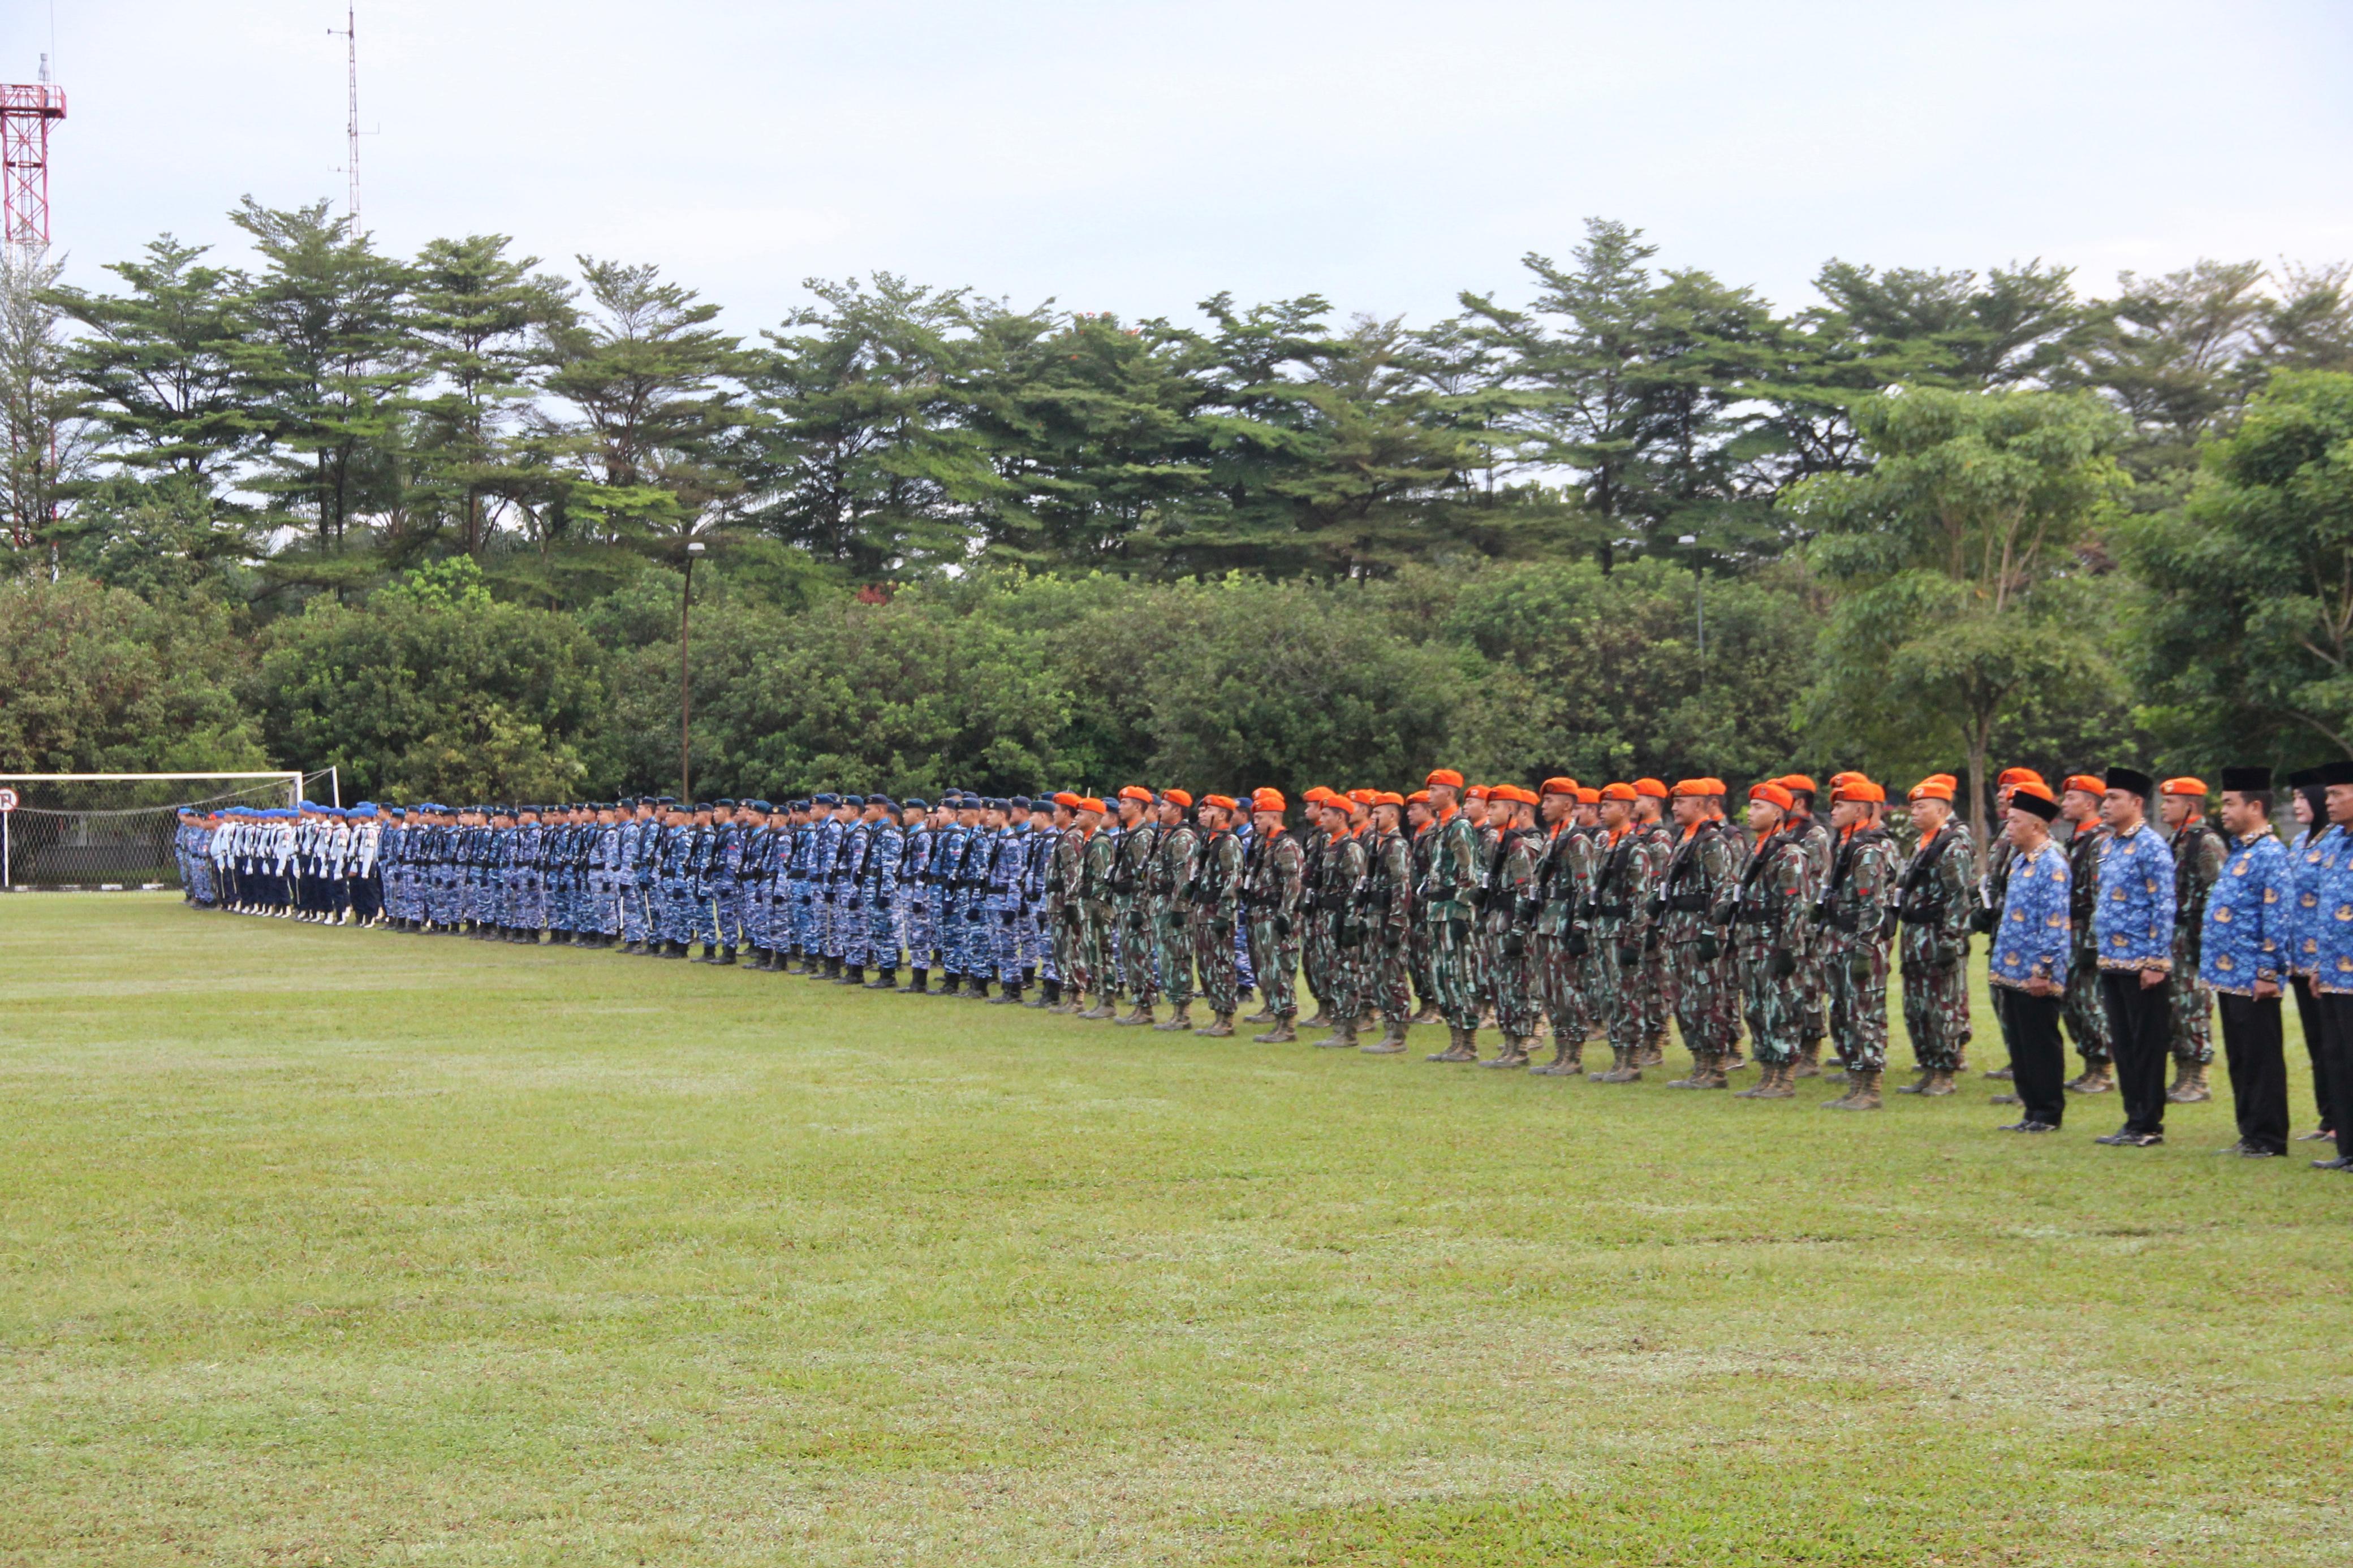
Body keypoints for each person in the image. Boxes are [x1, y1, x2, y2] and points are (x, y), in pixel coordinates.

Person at [2202, 767, 2291, 1157]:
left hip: (2255, 975)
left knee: (2261, 1058)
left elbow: (2278, 916)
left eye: (2230, 803)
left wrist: (2268, 971)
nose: (2223, 810)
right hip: (2230, 973)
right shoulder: (2242, 850)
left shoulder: (2271, 853)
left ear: (2255, 807)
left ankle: (2269, 1137)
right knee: (2241, 1058)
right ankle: (2251, 1132)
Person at [2092, 767, 2177, 1148]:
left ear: (2137, 803)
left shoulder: (2151, 845)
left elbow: (2164, 904)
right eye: (2105, 798)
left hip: (2142, 963)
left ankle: (2149, 1123)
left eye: (2114, 798)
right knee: (2124, 1044)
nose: (2105, 805)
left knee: (2147, 1045)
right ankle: (2133, 1118)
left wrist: (2156, 960)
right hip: (2112, 959)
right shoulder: (2109, 845)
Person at [1988, 783, 2071, 1133]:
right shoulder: (2021, 861)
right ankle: (2031, 1110)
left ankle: (2048, 1112)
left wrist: (2044, 969)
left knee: (2040, 1044)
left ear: (2036, 826)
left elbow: (2054, 921)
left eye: (2015, 821)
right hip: (2012, 968)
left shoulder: (2051, 863)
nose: (2008, 827)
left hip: (2036, 972)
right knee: (2021, 1045)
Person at [1816, 776, 1898, 1111]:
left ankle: (1871, 1088)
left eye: (1840, 806)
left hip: (1858, 943)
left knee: (1865, 1014)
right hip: (1838, 940)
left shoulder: (1868, 851)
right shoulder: (1846, 846)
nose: (1833, 812)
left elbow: (1873, 905)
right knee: (1841, 1014)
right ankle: (1854, 1084)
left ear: (1860, 810)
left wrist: (1865, 949)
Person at [1731, 781, 1814, 1100]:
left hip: (1774, 943)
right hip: (1750, 942)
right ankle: (1767, 1074)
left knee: (1781, 1010)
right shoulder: (1754, 852)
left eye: (1758, 807)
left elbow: (1796, 905)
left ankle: (1785, 1079)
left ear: (1778, 813)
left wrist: (1788, 947)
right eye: (1751, 806)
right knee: (1755, 1009)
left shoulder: (1789, 854)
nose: (1750, 813)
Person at [1895, 774, 1975, 1096]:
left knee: (1941, 1007)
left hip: (1936, 936)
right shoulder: (1921, 844)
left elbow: (1958, 897)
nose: (1914, 813)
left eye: (1922, 807)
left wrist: (1950, 940)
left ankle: (1945, 1072)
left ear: (1942, 810)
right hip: (1914, 938)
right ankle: (1928, 1067)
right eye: (1913, 807)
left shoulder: (1952, 846)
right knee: (1916, 1008)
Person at [1655, 779, 1738, 1088]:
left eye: (1681, 802)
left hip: (1700, 931)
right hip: (1679, 930)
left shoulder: (1711, 841)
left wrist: (1710, 930)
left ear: (1700, 805)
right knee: (1684, 1001)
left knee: (1706, 999)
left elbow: (1723, 889)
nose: (1674, 807)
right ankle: (1700, 1064)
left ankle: (1715, 1068)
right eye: (1674, 802)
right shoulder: (1685, 838)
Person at [2157, 777, 2226, 1103]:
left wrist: (2205, 938)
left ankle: (2198, 1078)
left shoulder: (2206, 841)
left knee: (2193, 1005)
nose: (2163, 807)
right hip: (2174, 937)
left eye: (2170, 802)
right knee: (2175, 1007)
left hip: (2193, 937)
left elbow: (2216, 892)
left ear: (2190, 806)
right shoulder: (2177, 839)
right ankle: (2183, 1073)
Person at [2303, 762, 2353, 1171]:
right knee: (2337, 1060)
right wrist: (2319, 964)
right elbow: (2325, 907)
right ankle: (2348, 1149)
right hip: (2335, 972)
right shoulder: (2334, 841)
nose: (2328, 801)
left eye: (2337, 794)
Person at [1529, 779, 1596, 1076]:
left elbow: (1587, 888)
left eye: (1550, 801)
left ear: (1568, 805)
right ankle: (1560, 1052)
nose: (1544, 806)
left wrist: (1580, 928)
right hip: (1547, 922)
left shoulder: (1576, 841)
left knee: (1568, 990)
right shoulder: (1552, 838)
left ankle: (1574, 1055)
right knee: (1549, 990)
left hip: (1565, 925)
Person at [2284, 772, 2337, 1143]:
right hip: (2298, 961)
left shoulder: (2336, 841)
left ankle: (2341, 1118)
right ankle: (2327, 1115)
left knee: (2334, 1043)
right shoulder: (2298, 842)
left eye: (2303, 798)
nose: (2297, 805)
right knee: (2316, 1042)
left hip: (2329, 959)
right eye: (2294, 798)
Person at [1419, 771, 1485, 1062]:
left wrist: (1461, 911)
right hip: (1437, 910)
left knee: (1458, 974)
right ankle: (1455, 1039)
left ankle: (1468, 1043)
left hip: (1452, 911)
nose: (1429, 796)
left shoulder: (1459, 827)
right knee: (1441, 976)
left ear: (1449, 793)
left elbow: (1469, 873)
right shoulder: (1440, 827)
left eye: (1435, 790)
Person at [2057, 776, 2114, 1093]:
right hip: (2071, 929)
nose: (2064, 804)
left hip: (2086, 930)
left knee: (2088, 999)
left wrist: (2094, 941)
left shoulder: (2100, 841)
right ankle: (2090, 1063)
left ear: (2090, 803)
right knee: (2072, 1000)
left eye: (2071, 798)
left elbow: (2100, 893)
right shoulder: (2078, 839)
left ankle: (2102, 1068)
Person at [1243, 790, 1305, 1043]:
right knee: (1267, 969)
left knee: (1280, 969)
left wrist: (1285, 914)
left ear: (1274, 817)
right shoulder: (1264, 844)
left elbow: (1293, 882)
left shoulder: (1286, 845)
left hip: (1276, 916)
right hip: (1261, 915)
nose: (1255, 821)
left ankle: (1287, 1025)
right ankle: (1276, 1017)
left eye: (1260, 817)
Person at [1189, 795, 1247, 1036]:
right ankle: (1217, 1015)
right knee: (1206, 965)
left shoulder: (1228, 842)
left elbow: (1233, 879)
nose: (1202, 814)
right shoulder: (1208, 840)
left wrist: (1225, 912)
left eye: (1208, 810)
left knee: (1221, 965)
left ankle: (1226, 1018)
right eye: (1202, 810)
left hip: (1218, 912)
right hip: (1204, 910)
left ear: (1222, 815)